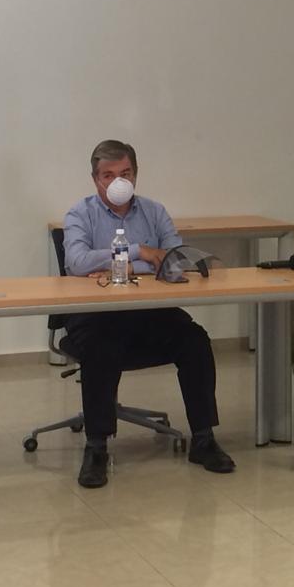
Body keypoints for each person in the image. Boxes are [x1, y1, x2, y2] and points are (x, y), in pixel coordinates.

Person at [62, 139, 234, 487]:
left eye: (125, 173)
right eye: (108, 175)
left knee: (195, 340)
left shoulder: (154, 211)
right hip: (97, 315)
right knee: (100, 347)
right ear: (95, 180)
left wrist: (122, 264)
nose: (118, 182)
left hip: (150, 311)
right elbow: (77, 263)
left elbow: (175, 259)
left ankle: (204, 438)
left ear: (136, 175)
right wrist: (141, 252)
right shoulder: (80, 214)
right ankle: (96, 447)